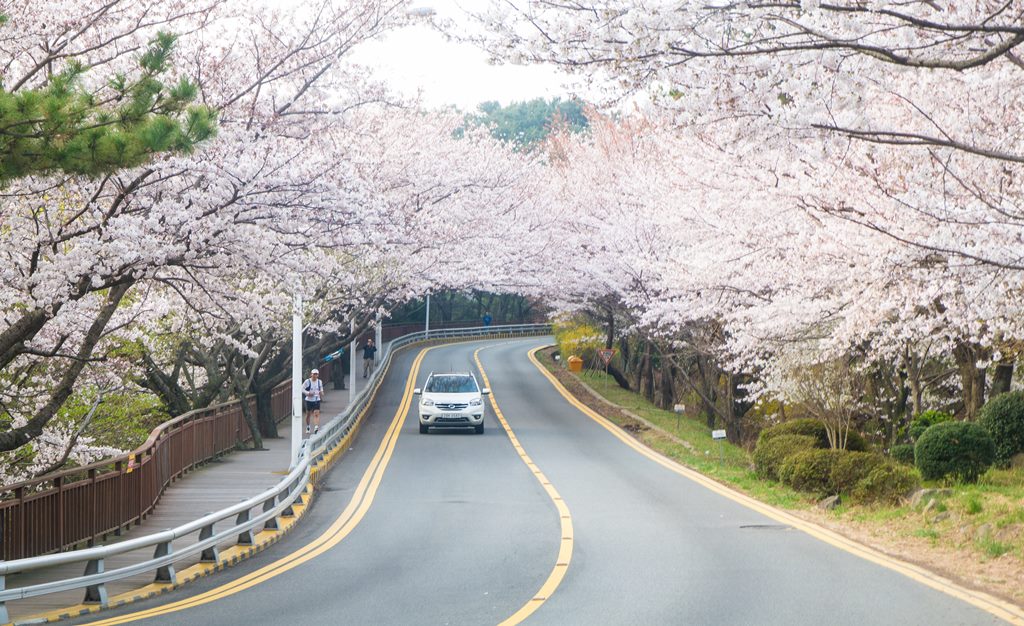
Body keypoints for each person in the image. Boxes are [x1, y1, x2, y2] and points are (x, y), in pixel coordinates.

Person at [302, 368, 324, 435]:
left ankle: (316, 427)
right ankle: (308, 426)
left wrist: (321, 393)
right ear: (311, 374)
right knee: (308, 414)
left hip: (316, 400)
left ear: (318, 375)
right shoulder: (307, 381)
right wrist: (308, 393)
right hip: (309, 400)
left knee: (316, 413)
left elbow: (321, 389)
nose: (315, 375)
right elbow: (302, 389)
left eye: (316, 374)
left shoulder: (319, 381)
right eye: (314, 374)